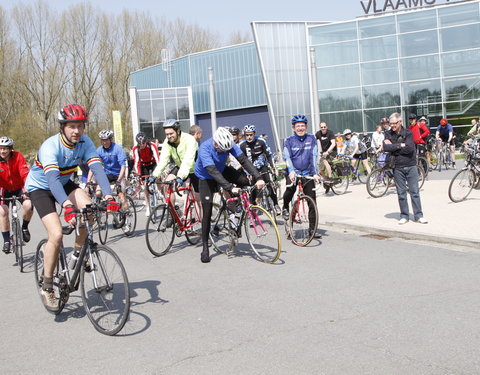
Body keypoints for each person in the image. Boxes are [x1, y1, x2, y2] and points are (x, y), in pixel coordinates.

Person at [25, 104, 119, 311]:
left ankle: (77, 253)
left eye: (80, 126)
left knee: (89, 208)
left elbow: (97, 169)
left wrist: (110, 195)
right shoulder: (50, 146)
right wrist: (67, 206)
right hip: (42, 187)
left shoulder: (85, 142)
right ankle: (47, 285)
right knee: (56, 235)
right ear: (62, 128)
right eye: (71, 126)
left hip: (65, 181)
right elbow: (51, 180)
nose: (76, 131)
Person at [194, 127, 264, 263]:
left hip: (221, 169)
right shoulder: (204, 148)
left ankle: (234, 210)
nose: (225, 152)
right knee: (207, 211)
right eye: (222, 150)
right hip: (205, 176)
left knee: (244, 181)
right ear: (215, 143)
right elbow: (213, 172)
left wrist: (258, 176)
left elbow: (243, 161)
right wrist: (230, 187)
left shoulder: (228, 144)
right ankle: (205, 247)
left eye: (227, 150)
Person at [383, 112, 428, 225]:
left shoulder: (408, 132)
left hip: (411, 165)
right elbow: (386, 147)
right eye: (390, 123)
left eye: (394, 123)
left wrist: (394, 147)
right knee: (401, 193)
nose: (392, 126)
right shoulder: (388, 133)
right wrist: (400, 145)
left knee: (414, 192)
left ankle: (418, 215)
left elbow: (410, 149)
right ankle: (404, 215)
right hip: (397, 167)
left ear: (400, 122)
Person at [282, 115, 321, 239]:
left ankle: (312, 230)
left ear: (306, 127)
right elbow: (287, 157)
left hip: (307, 173)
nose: (300, 128)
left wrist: (315, 173)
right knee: (290, 189)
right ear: (293, 128)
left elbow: (314, 156)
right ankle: (285, 207)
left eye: (302, 126)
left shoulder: (312, 138)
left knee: (312, 200)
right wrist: (291, 171)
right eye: (298, 126)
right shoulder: (288, 140)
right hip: (294, 172)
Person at [149, 119, 199, 209]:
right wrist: (154, 175)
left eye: (171, 133)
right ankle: (173, 214)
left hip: (195, 169)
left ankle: (205, 221)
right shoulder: (167, 142)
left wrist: (180, 177)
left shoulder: (189, 140)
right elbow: (163, 160)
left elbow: (188, 160)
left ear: (178, 131)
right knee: (167, 185)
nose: (169, 136)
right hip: (180, 167)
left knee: (199, 200)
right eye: (167, 134)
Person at [0, 137, 34, 254]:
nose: (3, 151)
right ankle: (6, 241)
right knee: (3, 212)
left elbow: (24, 173)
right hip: (4, 189)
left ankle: (24, 227)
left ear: (10, 149)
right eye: (0, 149)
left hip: (20, 187)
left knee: (28, 205)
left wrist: (27, 190)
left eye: (5, 148)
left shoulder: (18, 156)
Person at [239, 124, 280, 214]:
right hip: (250, 170)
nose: (249, 137)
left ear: (254, 134)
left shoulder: (261, 141)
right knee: (252, 191)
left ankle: (276, 204)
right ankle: (253, 212)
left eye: (251, 134)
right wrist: (247, 173)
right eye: (247, 135)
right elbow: (241, 161)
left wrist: (273, 168)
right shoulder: (242, 145)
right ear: (244, 135)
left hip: (262, 167)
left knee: (269, 185)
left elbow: (269, 155)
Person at [88, 129, 128, 213]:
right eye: (102, 140)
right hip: (107, 174)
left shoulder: (118, 149)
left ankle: (125, 213)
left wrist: (119, 180)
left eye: (106, 140)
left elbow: (123, 167)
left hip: (118, 175)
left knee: (121, 195)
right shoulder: (99, 150)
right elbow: (93, 166)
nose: (104, 142)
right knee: (98, 193)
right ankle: (105, 205)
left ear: (110, 139)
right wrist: (88, 181)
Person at [131, 132, 159, 216]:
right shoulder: (136, 148)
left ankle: (159, 191)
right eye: (140, 143)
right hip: (143, 166)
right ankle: (148, 207)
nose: (141, 145)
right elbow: (136, 162)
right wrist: (138, 174)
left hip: (153, 163)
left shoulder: (152, 145)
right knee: (145, 187)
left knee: (159, 178)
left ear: (146, 141)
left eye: (143, 143)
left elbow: (157, 159)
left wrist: (159, 171)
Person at [315, 121, 336, 189]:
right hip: (324, 153)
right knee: (320, 170)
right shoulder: (318, 133)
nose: (323, 128)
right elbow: (313, 141)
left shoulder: (330, 133)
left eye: (324, 127)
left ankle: (330, 177)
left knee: (324, 160)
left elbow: (333, 143)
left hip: (332, 151)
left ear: (326, 127)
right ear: (320, 128)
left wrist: (328, 151)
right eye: (322, 127)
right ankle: (326, 179)